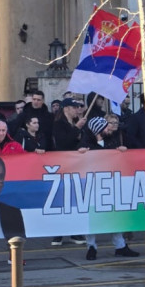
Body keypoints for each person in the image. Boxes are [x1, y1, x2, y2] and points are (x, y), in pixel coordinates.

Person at [79, 114, 140, 259]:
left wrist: (122, 151)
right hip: (93, 185)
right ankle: (91, 246)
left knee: (115, 214)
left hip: (111, 183)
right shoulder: (85, 143)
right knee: (92, 215)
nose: (109, 128)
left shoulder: (111, 140)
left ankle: (120, 245)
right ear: (98, 130)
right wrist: (82, 152)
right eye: (105, 127)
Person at [48, 98, 87, 247]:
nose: (77, 109)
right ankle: (58, 233)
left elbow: (81, 141)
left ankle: (74, 231)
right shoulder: (59, 124)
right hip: (63, 164)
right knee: (62, 199)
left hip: (76, 165)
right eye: (74, 107)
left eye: (78, 107)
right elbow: (63, 142)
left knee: (74, 199)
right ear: (66, 109)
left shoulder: (76, 123)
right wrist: (76, 128)